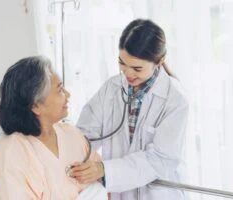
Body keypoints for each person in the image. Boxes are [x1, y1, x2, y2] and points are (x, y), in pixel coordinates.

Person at [71, 19, 189, 200]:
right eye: (122, 63)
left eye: (137, 68)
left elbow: (160, 159)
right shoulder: (111, 88)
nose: (127, 74)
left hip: (158, 194)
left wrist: (105, 170)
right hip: (121, 193)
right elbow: (86, 135)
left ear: (160, 61)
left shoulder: (175, 98)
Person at [0, 56, 107, 200]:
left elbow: (102, 179)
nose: (68, 94)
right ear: (35, 106)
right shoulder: (9, 152)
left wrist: (101, 171)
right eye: (60, 89)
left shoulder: (72, 134)